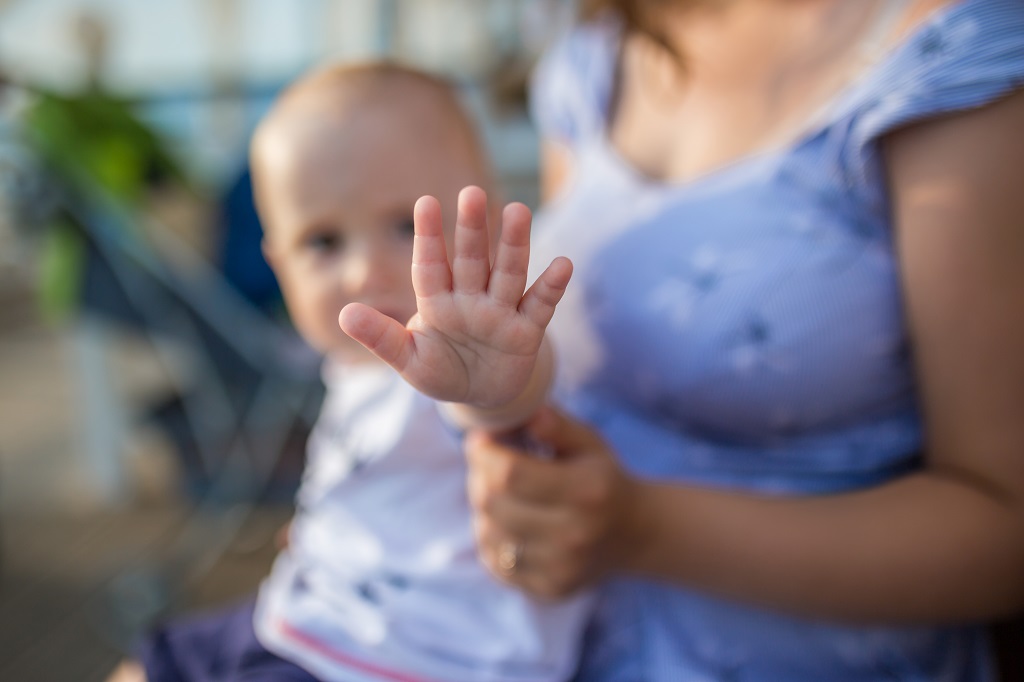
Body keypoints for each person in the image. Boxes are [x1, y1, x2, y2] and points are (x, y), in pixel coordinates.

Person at [339, 0, 1024, 680]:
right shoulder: (595, 59)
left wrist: (643, 529)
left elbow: (1005, 528)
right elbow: (564, 388)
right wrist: (486, 416)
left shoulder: (952, 57)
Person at [108, 61, 590, 682]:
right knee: (147, 665)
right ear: (278, 263)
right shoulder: (348, 364)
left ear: (488, 227)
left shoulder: (467, 358)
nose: (364, 272)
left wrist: (492, 384)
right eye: (323, 243)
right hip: (315, 614)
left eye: (403, 227)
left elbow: (510, 403)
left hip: (409, 658)